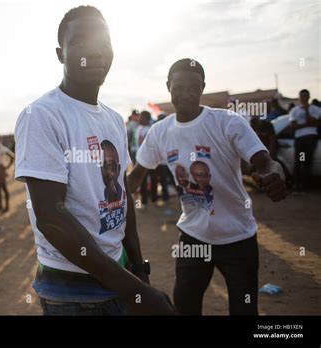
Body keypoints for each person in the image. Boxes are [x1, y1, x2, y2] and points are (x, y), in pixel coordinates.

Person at [14, 5, 174, 316]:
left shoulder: (113, 120)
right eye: (81, 42)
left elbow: (124, 202)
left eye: (104, 42)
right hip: (73, 292)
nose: (95, 51)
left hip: (119, 274)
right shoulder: (42, 115)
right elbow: (50, 217)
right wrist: (137, 291)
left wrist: (138, 269)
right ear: (61, 54)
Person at [128, 58, 288, 315]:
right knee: (185, 304)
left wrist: (274, 174)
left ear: (203, 87)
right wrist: (108, 198)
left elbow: (265, 162)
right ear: (168, 86)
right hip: (194, 237)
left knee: (244, 309)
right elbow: (135, 177)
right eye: (179, 87)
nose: (186, 94)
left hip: (238, 237)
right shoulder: (160, 132)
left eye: (194, 87)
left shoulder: (227, 122)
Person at [289, 89, 321, 192]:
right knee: (299, 161)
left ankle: (305, 185)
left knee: (307, 162)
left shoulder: (315, 109)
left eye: (306, 96)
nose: (304, 98)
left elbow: (314, 122)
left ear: (309, 97)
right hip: (300, 139)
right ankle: (296, 185)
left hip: (310, 138)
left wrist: (307, 110)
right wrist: (307, 124)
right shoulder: (294, 110)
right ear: (299, 97)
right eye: (302, 96)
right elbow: (293, 125)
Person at [135, 111, 157, 205]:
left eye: (140, 117)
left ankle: (154, 199)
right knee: (142, 180)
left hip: (151, 159)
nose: (138, 119)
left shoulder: (152, 129)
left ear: (145, 118)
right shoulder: (139, 129)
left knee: (153, 179)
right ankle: (144, 201)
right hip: (140, 160)